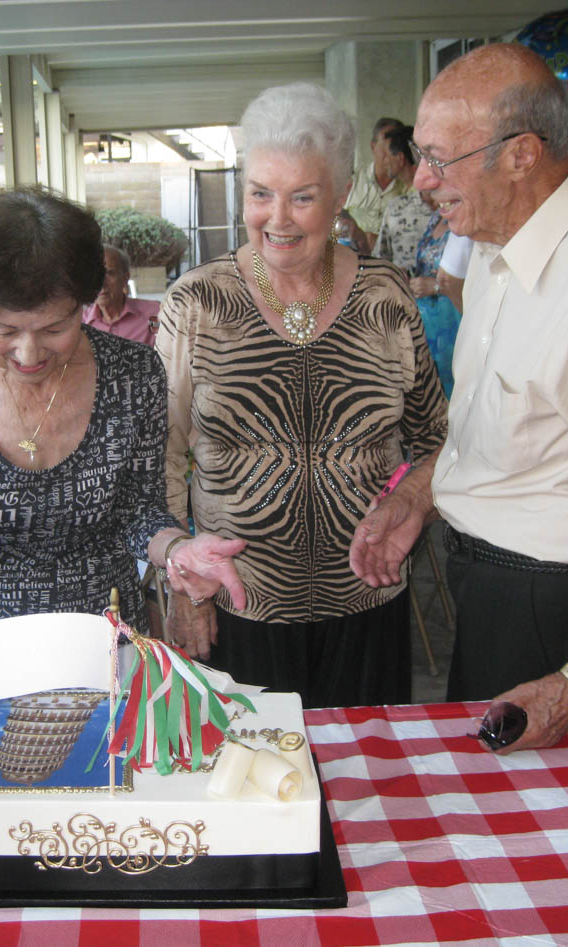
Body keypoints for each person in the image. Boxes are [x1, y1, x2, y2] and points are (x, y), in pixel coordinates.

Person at [350, 43, 568, 751]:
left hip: (553, 608)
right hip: (489, 584)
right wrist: (416, 497)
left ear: (523, 154)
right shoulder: (499, 251)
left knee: (537, 826)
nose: (423, 181)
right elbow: (479, 425)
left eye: (440, 157)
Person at [156, 83, 448, 709]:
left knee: (364, 789)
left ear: (341, 196)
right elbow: (162, 456)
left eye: (303, 197)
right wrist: (182, 588)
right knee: (254, 789)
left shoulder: (386, 297)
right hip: (237, 604)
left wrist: (412, 505)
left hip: (368, 601)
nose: (277, 218)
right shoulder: (198, 303)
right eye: (261, 194)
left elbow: (435, 440)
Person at [0, 186, 245, 630]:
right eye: (3, 329)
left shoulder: (132, 373)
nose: (28, 353)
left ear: (85, 303)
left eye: (55, 327)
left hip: (103, 632)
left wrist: (178, 549)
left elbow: (140, 512)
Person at [407, 197, 470, 398]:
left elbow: (473, 278)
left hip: (450, 315)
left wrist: (435, 287)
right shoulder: (436, 217)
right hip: (424, 318)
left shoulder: (467, 220)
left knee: (453, 383)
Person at [339, 117, 408, 253]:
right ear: (373, 146)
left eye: (396, 141)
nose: (391, 147)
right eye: (387, 140)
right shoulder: (353, 181)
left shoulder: (408, 188)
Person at [372, 125, 432, 270]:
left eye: (387, 155)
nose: (384, 161)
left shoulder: (398, 208)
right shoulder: (398, 200)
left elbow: (380, 260)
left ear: (400, 158)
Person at [81, 244, 160, 346]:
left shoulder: (153, 314)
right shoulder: (81, 325)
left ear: (125, 278)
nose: (100, 282)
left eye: (109, 273)